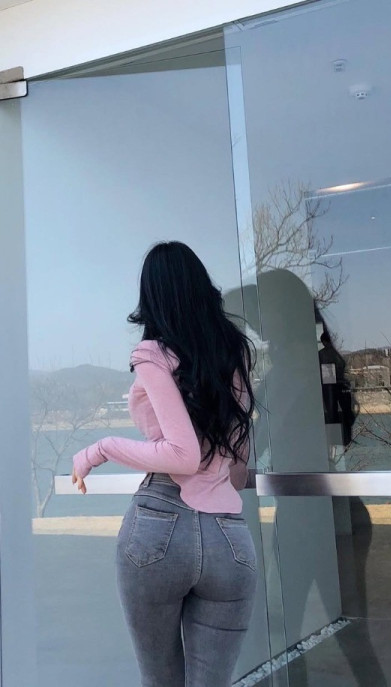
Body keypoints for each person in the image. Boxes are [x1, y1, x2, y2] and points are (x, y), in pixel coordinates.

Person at [71, 240, 259, 687]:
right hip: (229, 540)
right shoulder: (231, 353)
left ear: (152, 297)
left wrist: (101, 449)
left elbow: (182, 455)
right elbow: (237, 466)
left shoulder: (152, 355)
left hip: (159, 527)